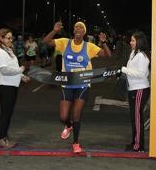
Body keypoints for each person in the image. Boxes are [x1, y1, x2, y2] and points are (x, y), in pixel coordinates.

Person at [43, 21, 111, 153]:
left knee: (76, 114)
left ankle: (76, 143)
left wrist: (103, 42)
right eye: (76, 27)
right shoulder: (64, 43)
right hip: (67, 84)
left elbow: (107, 55)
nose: (78, 28)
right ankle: (68, 126)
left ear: (84, 32)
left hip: (83, 84)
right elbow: (46, 42)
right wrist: (54, 31)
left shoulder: (89, 46)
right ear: (73, 31)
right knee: (63, 117)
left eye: (81, 27)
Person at [0, 28, 30, 148]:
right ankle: (1, 139)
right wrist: (21, 70)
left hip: (11, 85)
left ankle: (4, 137)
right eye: (8, 38)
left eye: (11, 37)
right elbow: (4, 70)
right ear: (1, 38)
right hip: (5, 85)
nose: (11, 40)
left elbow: (13, 67)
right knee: (5, 113)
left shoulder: (8, 50)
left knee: (8, 113)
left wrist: (22, 76)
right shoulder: (0, 52)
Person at [121, 31, 150, 152]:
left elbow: (141, 74)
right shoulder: (134, 53)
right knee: (134, 117)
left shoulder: (142, 56)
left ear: (139, 42)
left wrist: (124, 70)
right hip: (133, 89)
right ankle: (135, 142)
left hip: (140, 89)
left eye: (133, 40)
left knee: (137, 118)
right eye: (131, 40)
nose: (130, 42)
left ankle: (138, 146)